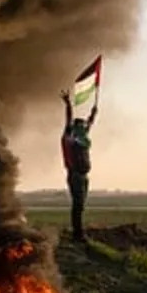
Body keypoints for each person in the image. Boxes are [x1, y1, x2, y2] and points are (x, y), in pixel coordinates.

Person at [60, 90, 97, 242]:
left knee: (80, 205)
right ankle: (77, 234)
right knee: (78, 204)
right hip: (75, 174)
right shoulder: (69, 139)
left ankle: (78, 232)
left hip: (83, 175)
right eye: (80, 126)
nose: (84, 128)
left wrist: (93, 114)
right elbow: (68, 121)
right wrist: (68, 104)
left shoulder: (82, 139)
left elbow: (89, 125)